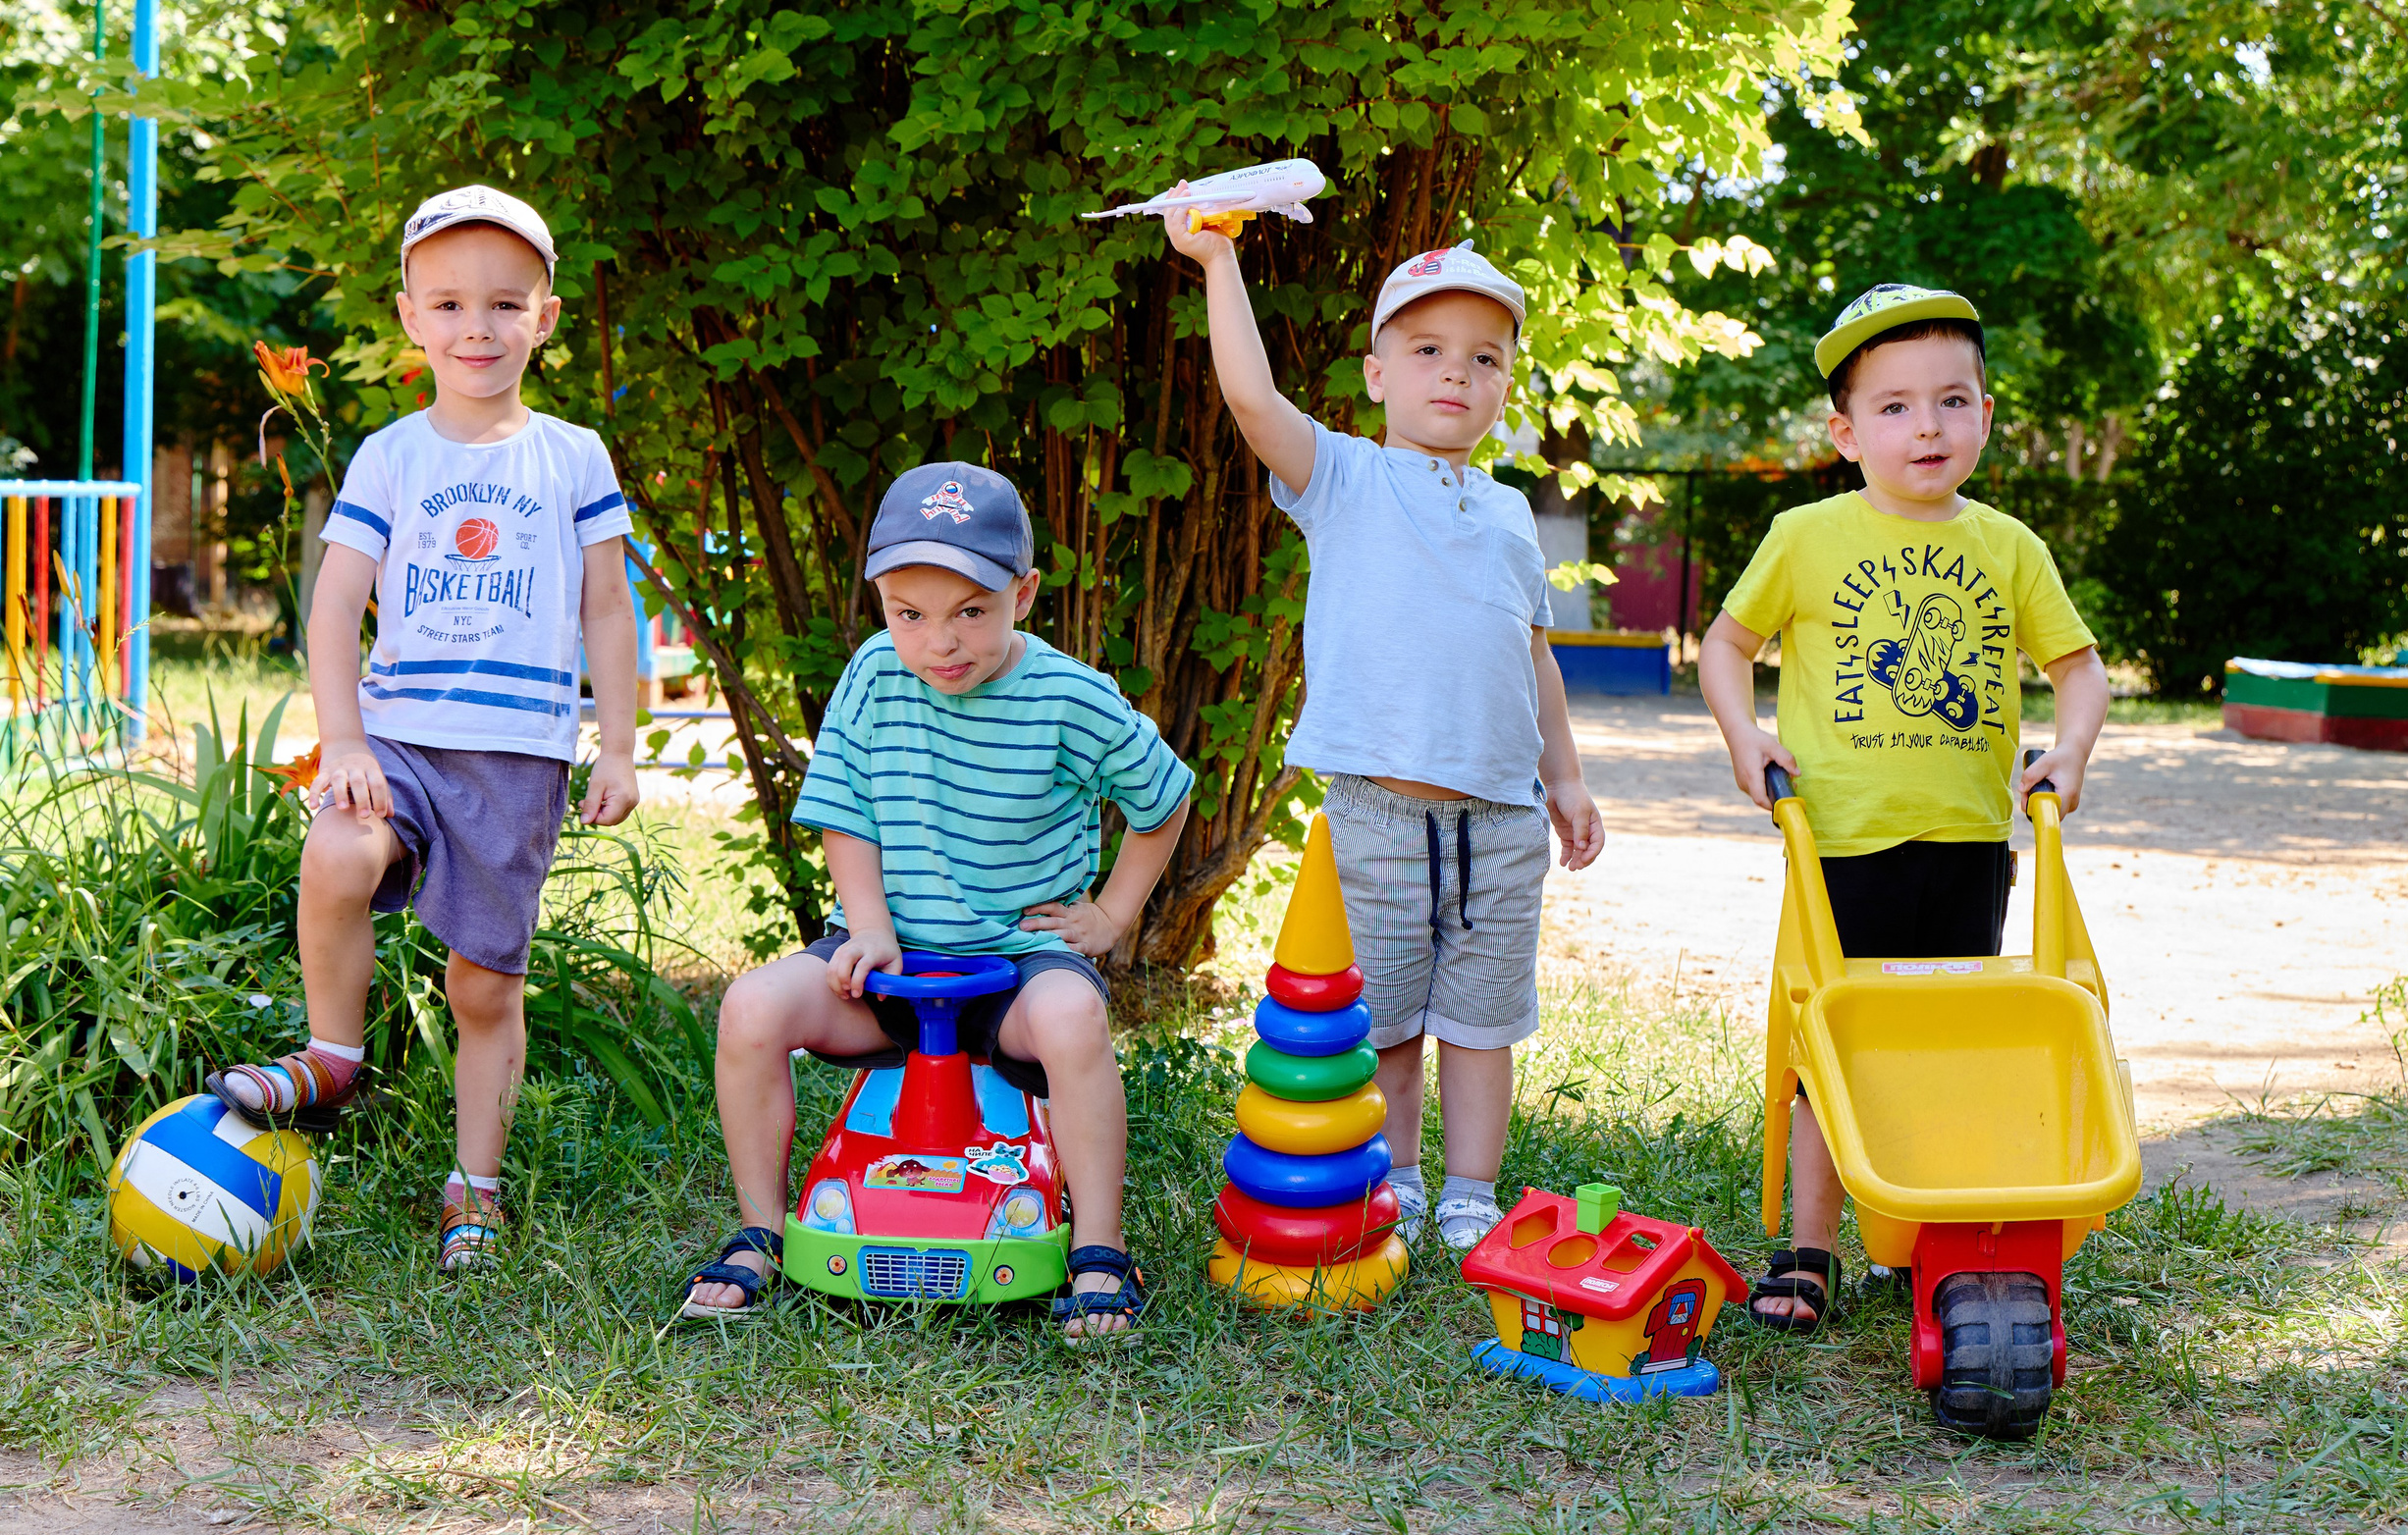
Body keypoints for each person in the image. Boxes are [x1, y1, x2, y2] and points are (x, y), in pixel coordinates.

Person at [209, 185, 644, 1272]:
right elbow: (332, 601)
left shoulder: (575, 455)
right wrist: (345, 739)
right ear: (410, 317)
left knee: (481, 985)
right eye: (448, 305)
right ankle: (332, 1054)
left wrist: (622, 745)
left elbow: (604, 606)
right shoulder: (391, 456)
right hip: (399, 739)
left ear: (545, 316)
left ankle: (475, 1186)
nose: (477, 329)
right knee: (337, 848)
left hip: (519, 757)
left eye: (505, 304)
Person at [1168, 205, 1605, 1253]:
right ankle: (1399, 1178)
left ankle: (1469, 1191)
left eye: (1483, 358)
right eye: (1425, 351)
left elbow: (1532, 654)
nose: (1454, 374)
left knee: (1485, 1020)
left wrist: (1568, 781)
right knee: (1393, 1022)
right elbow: (1247, 395)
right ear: (1376, 376)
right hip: (1377, 816)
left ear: (1504, 387)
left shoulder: (1508, 515)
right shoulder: (1345, 479)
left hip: (1501, 818)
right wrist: (1219, 260)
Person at [681, 462, 1192, 1335]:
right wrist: (869, 927)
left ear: (1024, 594)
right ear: (881, 599)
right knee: (752, 1006)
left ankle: (1098, 1250)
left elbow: (1164, 796)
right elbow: (844, 807)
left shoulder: (1070, 697)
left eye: (970, 612)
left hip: (1015, 969)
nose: (939, 643)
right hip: (890, 967)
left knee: (1074, 1020)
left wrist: (1111, 914)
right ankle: (761, 1230)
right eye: (909, 614)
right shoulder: (877, 674)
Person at [1697, 283, 2112, 1329]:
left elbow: (2079, 667)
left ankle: (1928, 1222)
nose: (1925, 425)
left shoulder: (2010, 547)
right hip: (1838, 842)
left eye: (1951, 400)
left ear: (1984, 413)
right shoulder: (1804, 535)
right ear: (1845, 432)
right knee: (1832, 1042)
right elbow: (1725, 645)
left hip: (1970, 841)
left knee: (1953, 1040)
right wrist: (1745, 735)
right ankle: (1810, 1246)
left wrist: (2069, 748)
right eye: (1892, 406)